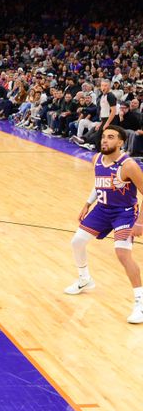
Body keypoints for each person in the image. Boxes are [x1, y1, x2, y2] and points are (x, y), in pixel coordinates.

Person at [64, 125, 143, 324]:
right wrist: (87, 204)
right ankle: (85, 279)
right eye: (104, 137)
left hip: (124, 213)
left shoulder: (129, 165)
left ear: (121, 142)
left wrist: (140, 222)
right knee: (77, 242)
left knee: (122, 253)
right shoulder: (96, 158)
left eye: (111, 137)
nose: (104, 140)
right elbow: (99, 182)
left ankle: (140, 303)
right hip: (102, 209)